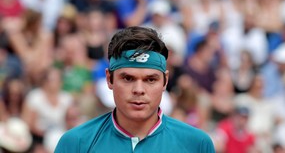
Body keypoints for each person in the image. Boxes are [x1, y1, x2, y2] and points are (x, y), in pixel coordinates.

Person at [55, 26, 215, 152]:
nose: (139, 89)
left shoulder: (197, 144)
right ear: (109, 79)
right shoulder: (75, 143)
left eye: (150, 79)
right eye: (128, 78)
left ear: (165, 81)